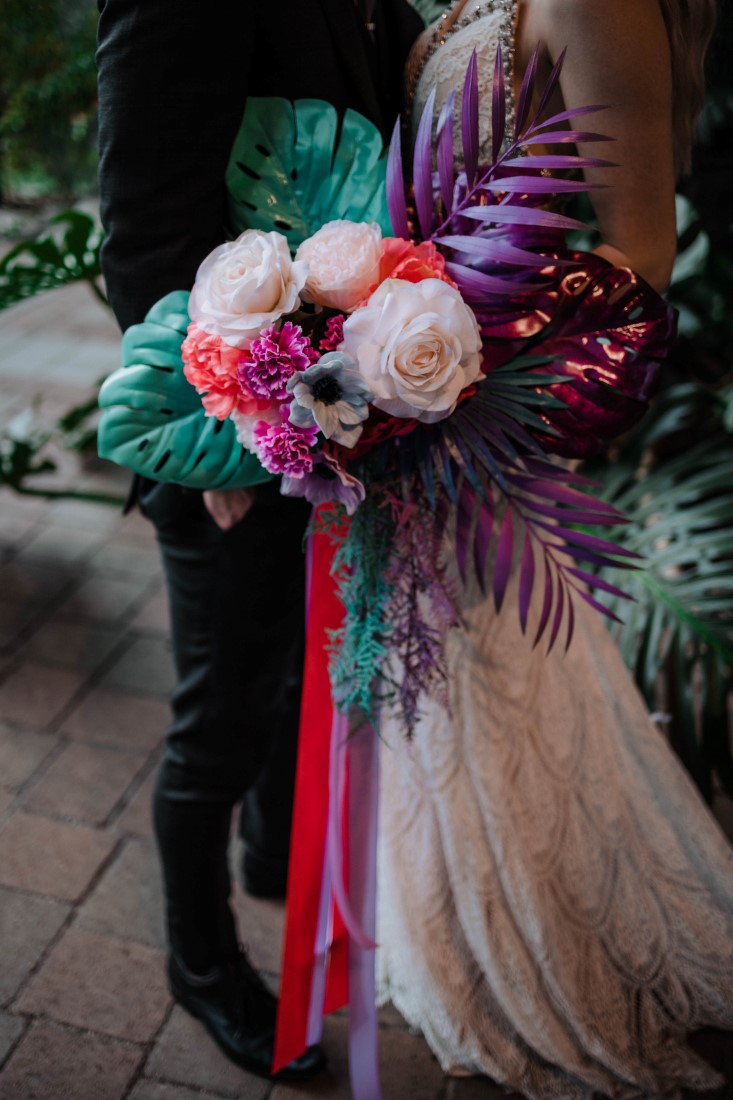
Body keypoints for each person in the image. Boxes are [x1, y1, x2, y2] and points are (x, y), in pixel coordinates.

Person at [376, 1, 733, 1097]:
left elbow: (640, 255)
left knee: (498, 679)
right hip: (409, 392)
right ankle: (451, 914)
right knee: (445, 694)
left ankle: (539, 933)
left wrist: (460, 369)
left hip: (477, 410)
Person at [95, 0, 423, 1082]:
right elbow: (144, 216)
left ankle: (270, 849)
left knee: (288, 666)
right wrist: (217, 435)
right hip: (225, 422)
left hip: (325, 403)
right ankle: (200, 959)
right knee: (218, 709)